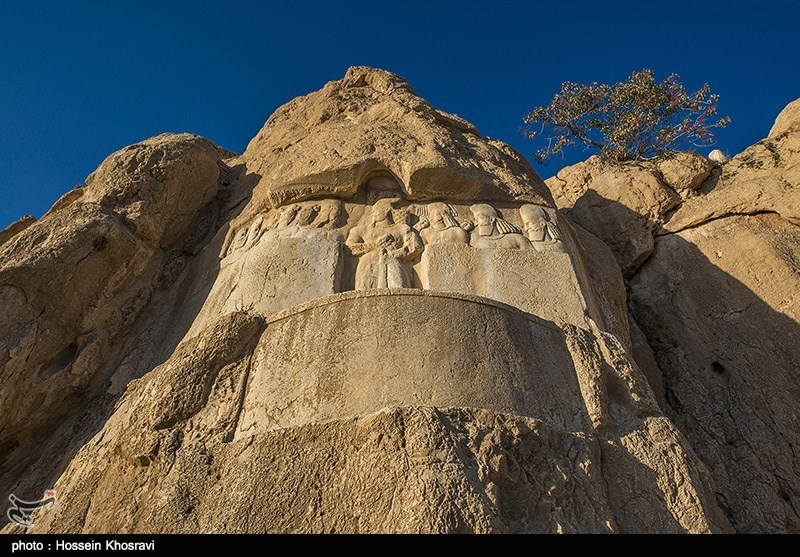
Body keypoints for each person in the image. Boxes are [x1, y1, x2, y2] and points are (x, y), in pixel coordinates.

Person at [345, 198, 424, 289]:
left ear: (386, 210)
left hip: (393, 265)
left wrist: (396, 252)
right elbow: (348, 248)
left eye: (376, 210)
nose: (373, 213)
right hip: (368, 265)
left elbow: (416, 246)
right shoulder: (363, 230)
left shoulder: (401, 228)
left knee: (398, 293)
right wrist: (374, 246)